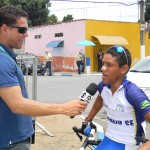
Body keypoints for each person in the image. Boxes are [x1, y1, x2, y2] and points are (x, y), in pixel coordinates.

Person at [0, 5, 87, 150]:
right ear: (4, 28)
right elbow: (17, 104)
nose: (26, 34)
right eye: (22, 29)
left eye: (27, 30)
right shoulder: (2, 59)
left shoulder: (7, 56)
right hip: (10, 142)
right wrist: (63, 108)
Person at [84, 46, 150, 150]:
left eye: (109, 65)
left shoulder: (133, 93)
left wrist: (146, 146)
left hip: (128, 144)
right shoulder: (103, 86)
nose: (102, 68)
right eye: (103, 63)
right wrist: (89, 118)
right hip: (109, 139)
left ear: (123, 69)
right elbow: (100, 98)